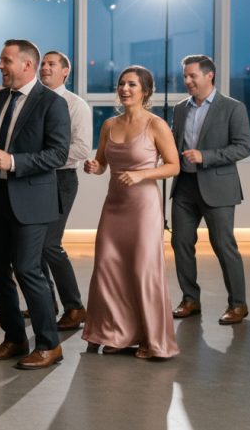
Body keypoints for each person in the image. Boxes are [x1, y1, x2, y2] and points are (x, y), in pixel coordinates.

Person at [0, 39, 70, 370]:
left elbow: (58, 153)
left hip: (32, 203)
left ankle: (50, 344)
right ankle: (15, 338)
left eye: (5, 60)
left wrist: (14, 162)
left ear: (27, 65)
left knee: (27, 269)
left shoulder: (52, 104)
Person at [83, 66, 180, 359]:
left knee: (142, 270)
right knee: (108, 268)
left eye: (132, 84)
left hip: (144, 209)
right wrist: (94, 167)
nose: (125, 89)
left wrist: (142, 175)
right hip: (114, 207)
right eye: (122, 84)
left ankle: (153, 340)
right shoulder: (109, 125)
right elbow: (101, 163)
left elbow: (174, 166)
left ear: (145, 91)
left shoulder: (156, 125)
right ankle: (116, 334)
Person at [170, 55, 250, 325]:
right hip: (184, 186)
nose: (187, 81)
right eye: (185, 76)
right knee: (180, 243)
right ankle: (190, 299)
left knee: (224, 246)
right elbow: (173, 142)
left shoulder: (232, 108)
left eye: (192, 76)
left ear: (209, 76)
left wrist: (205, 156)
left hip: (218, 187)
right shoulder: (181, 108)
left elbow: (242, 147)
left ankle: (238, 304)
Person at [37, 50, 93, 330]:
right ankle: (46, 302)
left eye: (51, 64)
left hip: (61, 180)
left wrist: (43, 158)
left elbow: (82, 148)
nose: (44, 68)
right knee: (33, 246)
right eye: (43, 63)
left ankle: (75, 307)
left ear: (65, 72)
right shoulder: (33, 101)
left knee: (50, 244)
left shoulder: (75, 105)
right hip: (34, 180)